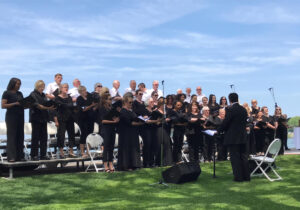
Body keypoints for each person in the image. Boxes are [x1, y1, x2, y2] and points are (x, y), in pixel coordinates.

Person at [217, 93, 250, 182]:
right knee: (243, 156)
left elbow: (226, 122)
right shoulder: (243, 109)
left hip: (233, 137)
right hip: (243, 136)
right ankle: (246, 176)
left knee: (235, 158)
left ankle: (238, 177)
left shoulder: (231, 110)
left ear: (230, 99)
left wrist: (219, 130)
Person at [29, 80, 55, 160]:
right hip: (36, 118)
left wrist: (51, 103)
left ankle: (43, 155)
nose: (42, 88)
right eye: (41, 87)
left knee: (44, 137)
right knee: (35, 137)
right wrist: (48, 108)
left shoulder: (43, 95)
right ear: (37, 86)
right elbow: (38, 105)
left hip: (43, 118)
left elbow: (45, 103)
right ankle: (34, 155)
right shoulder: (32, 94)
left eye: (43, 87)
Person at [1, 78, 25, 162]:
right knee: (12, 136)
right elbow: (3, 105)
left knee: (20, 135)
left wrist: (27, 104)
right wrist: (15, 103)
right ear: (12, 84)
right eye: (17, 84)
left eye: (20, 84)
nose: (19, 86)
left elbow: (22, 103)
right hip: (11, 116)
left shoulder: (20, 93)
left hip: (20, 116)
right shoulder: (6, 93)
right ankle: (11, 157)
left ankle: (20, 156)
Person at [117, 94, 143, 171]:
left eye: (132, 102)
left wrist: (142, 120)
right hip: (125, 134)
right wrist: (139, 123)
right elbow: (129, 122)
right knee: (127, 149)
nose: (131, 104)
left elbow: (135, 118)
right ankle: (126, 165)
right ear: (125, 102)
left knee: (133, 148)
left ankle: (134, 164)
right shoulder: (123, 111)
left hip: (133, 133)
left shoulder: (131, 111)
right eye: (130, 102)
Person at [54, 83, 76, 158]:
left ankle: (71, 151)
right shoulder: (57, 98)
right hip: (61, 119)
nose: (66, 88)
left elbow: (71, 107)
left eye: (67, 87)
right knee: (61, 135)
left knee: (71, 135)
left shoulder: (69, 98)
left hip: (70, 118)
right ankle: (61, 152)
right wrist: (56, 120)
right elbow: (55, 110)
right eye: (64, 87)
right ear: (60, 89)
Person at [99, 95, 119, 172]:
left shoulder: (111, 109)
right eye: (109, 99)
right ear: (105, 100)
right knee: (106, 147)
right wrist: (113, 121)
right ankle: (105, 164)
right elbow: (103, 121)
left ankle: (111, 163)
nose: (111, 101)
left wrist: (116, 119)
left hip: (112, 129)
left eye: (111, 99)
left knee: (111, 147)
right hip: (105, 129)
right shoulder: (102, 109)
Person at [76, 86, 97, 157]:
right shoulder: (79, 99)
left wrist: (94, 106)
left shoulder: (89, 98)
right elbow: (83, 109)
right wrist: (91, 105)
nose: (86, 92)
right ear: (81, 92)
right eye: (84, 91)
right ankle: (82, 152)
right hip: (83, 119)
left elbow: (94, 105)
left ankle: (88, 152)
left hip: (90, 118)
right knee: (84, 135)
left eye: (86, 90)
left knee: (90, 134)